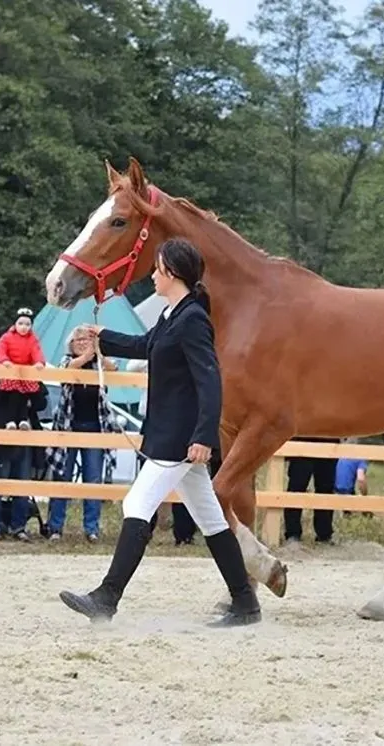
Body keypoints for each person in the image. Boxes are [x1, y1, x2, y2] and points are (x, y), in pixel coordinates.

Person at [58, 237, 260, 628]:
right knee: (212, 520)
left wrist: (203, 436)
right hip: (172, 434)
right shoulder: (173, 316)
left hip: (180, 437)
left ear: (172, 273)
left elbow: (210, 381)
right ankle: (245, 603)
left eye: (157, 269)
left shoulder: (193, 320)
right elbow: (146, 345)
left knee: (137, 505)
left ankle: (107, 597)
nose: (152, 275)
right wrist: (102, 337)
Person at [45, 324, 115, 542]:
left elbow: (113, 368)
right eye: (79, 340)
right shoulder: (68, 360)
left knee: (93, 479)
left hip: (96, 428)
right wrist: (86, 355)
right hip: (68, 427)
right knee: (62, 479)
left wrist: (98, 352)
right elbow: (65, 371)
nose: (83, 343)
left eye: (87, 340)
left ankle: (91, 528)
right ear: (71, 344)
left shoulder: (100, 363)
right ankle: (55, 527)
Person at [0, 307, 46, 430]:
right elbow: (0, 350)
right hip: (10, 370)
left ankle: (23, 419)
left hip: (25, 373)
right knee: (13, 395)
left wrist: (39, 362)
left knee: (24, 396)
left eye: (27, 324)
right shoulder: (7, 337)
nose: (24, 327)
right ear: (15, 324)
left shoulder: (33, 339)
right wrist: (4, 360)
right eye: (21, 323)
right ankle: (10, 420)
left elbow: (36, 352)